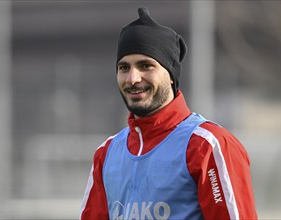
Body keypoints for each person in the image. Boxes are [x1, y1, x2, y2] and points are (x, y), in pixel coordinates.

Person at [80, 7, 258, 220]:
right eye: (124, 67)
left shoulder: (207, 146)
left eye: (146, 66)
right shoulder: (106, 153)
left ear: (171, 75)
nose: (132, 78)